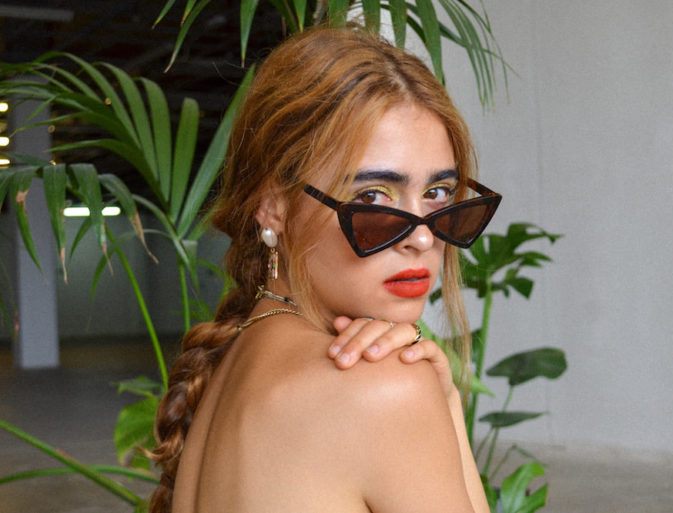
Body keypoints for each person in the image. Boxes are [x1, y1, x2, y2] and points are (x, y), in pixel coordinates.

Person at [149, 27, 501, 513]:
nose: (423, 238)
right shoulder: (382, 387)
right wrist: (429, 399)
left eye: (437, 193)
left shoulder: (229, 367)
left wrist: (445, 402)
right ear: (274, 206)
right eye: (372, 196)